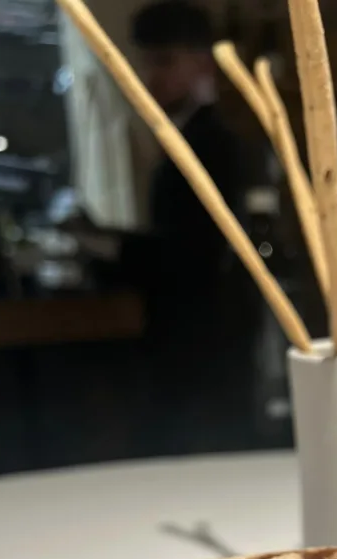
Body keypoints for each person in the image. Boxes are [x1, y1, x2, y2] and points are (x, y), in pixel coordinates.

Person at [75, 1, 252, 452]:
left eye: (165, 61)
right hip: (190, 342)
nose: (151, 75)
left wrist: (110, 250)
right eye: (147, 61)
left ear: (202, 64)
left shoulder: (213, 145)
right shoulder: (185, 138)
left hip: (204, 346)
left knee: (195, 459)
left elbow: (194, 256)